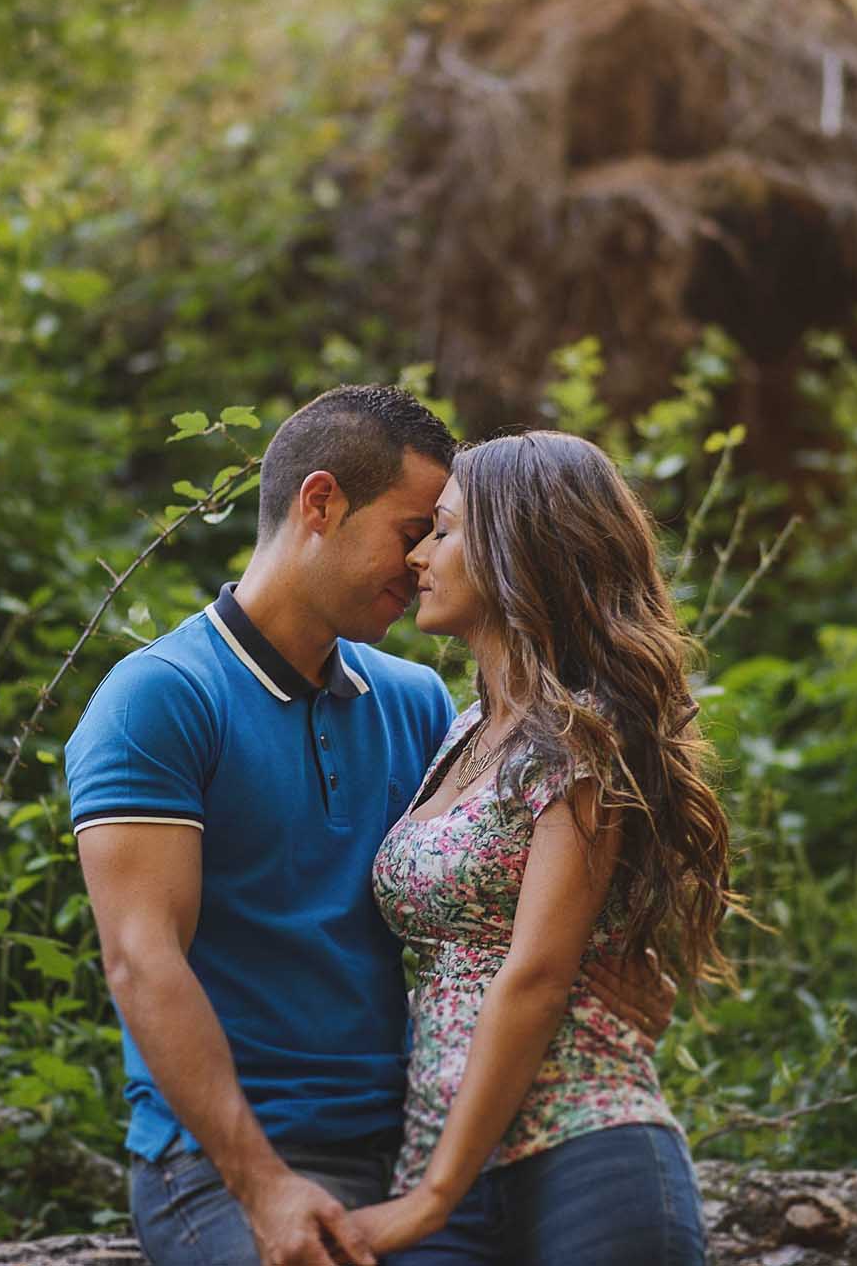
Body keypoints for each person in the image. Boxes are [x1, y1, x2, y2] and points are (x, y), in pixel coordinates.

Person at [65, 389, 668, 1266]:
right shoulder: (160, 699)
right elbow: (140, 959)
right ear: (321, 503)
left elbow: (495, 895)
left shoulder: (421, 703)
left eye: (439, 532)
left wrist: (616, 964)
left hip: (420, 1142)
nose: (424, 556)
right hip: (236, 1161)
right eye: (411, 528)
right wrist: (262, 1183)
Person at [347, 431, 741, 1264]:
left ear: (514, 550)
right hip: (438, 1162)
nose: (419, 552)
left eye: (444, 531)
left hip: (585, 1156)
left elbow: (536, 972)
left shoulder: (582, 732)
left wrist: (431, 1198)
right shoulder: (461, 732)